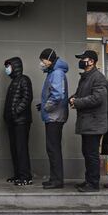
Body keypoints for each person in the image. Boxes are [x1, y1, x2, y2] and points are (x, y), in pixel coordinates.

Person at [70, 50, 108, 192]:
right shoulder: (86, 77)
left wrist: (78, 102)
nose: (81, 61)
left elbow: (97, 98)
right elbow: (82, 94)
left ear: (91, 61)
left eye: (83, 59)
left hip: (94, 123)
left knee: (91, 155)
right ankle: (88, 180)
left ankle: (93, 184)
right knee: (87, 152)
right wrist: (72, 98)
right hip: (88, 123)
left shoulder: (98, 77)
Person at [37, 48, 69, 189]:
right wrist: (43, 104)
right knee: (52, 148)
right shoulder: (53, 72)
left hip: (54, 116)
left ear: (49, 59)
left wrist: (46, 107)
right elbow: (52, 94)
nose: (41, 63)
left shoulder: (56, 73)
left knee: (53, 148)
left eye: (42, 60)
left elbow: (57, 95)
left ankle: (57, 180)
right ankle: (54, 178)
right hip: (53, 115)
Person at [3, 57, 33, 186]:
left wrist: (15, 111)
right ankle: (18, 175)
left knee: (21, 149)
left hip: (21, 121)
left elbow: (27, 98)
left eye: (8, 66)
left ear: (15, 66)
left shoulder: (24, 79)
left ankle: (26, 176)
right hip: (13, 121)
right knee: (15, 149)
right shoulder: (14, 81)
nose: (7, 69)